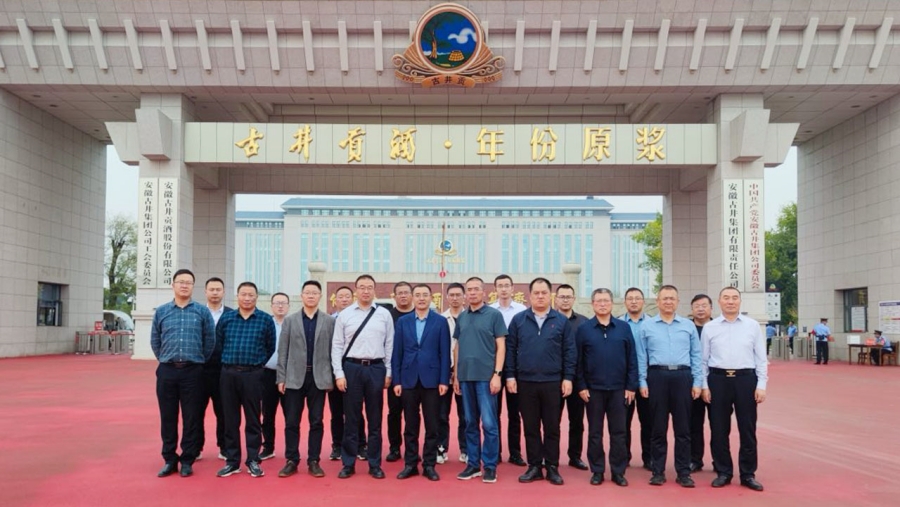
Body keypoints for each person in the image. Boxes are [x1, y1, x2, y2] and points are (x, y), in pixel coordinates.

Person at [506, 278, 575, 486]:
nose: (540, 296)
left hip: (553, 382)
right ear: (529, 296)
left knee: (552, 426)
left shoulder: (560, 321)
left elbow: (569, 351)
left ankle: (552, 466)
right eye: (536, 293)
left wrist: (568, 378)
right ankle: (534, 466)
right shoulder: (519, 320)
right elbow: (510, 349)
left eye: (544, 292)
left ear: (550, 295)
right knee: (531, 427)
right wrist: (510, 376)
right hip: (525, 382)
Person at [150, 269, 216, 478]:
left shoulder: (202, 312)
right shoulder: (162, 311)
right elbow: (155, 340)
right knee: (168, 417)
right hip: (167, 371)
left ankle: (187, 459)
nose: (184, 285)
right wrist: (166, 358)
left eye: (188, 282)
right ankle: (169, 459)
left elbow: (210, 341)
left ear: (193, 286)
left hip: (193, 371)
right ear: (173, 285)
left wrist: (198, 360)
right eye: (181, 282)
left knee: (192, 417)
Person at [701, 287, 767, 492]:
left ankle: (748, 474)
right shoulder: (710, 327)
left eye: (734, 298)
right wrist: (704, 385)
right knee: (719, 429)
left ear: (740, 301)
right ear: (719, 301)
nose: (730, 301)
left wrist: (761, 385)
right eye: (726, 298)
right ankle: (723, 472)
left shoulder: (752, 326)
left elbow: (761, 358)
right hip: (718, 380)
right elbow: (703, 360)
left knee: (747, 429)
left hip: (745, 380)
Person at [636, 285, 702, 488]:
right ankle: (658, 471)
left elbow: (696, 355)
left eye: (672, 298)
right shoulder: (646, 326)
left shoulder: (688, 326)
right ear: (657, 302)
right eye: (664, 298)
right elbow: (641, 356)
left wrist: (697, 382)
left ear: (678, 302)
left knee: (683, 429)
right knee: (658, 428)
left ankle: (683, 472)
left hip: (683, 377)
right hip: (657, 376)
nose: (668, 302)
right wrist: (642, 381)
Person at [331, 274, 394, 480]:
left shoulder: (384, 314)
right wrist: (339, 373)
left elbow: (389, 344)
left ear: (374, 290)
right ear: (356, 290)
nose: (366, 291)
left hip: (376, 368)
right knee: (352, 418)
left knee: (375, 419)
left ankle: (374, 464)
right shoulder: (345, 315)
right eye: (362, 287)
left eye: (369, 287)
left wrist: (388, 371)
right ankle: (348, 463)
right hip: (352, 368)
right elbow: (337, 345)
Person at [575, 288, 637, 487]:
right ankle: (597, 470)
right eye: (598, 301)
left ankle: (618, 471)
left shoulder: (623, 328)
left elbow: (632, 358)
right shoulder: (584, 329)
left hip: (619, 390)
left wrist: (631, 386)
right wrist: (581, 386)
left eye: (606, 301)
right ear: (592, 304)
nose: (602, 304)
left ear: (612, 303)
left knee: (619, 432)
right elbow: (578, 361)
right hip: (593, 390)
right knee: (595, 432)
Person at [215, 281, 277, 478]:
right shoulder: (227, 319)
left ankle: (253, 460)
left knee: (253, 419)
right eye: (244, 294)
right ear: (237, 296)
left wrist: (257, 365)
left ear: (256, 297)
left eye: (251, 295)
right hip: (229, 374)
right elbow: (219, 344)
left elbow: (270, 347)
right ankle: (232, 461)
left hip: (253, 375)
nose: (247, 298)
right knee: (230, 419)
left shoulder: (265, 320)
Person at [275, 281, 335, 478]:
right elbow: (282, 351)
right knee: (292, 421)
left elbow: (333, 351)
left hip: (318, 378)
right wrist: (281, 377)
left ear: (320, 296)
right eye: (307, 292)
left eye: (314, 292)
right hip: (293, 378)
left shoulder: (329, 321)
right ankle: (292, 460)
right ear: (301, 296)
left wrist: (331, 377)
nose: (310, 295)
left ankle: (314, 461)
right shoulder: (290, 321)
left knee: (316, 421)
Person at [392, 284, 451, 481]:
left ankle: (429, 465)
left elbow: (445, 353)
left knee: (432, 424)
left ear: (431, 298)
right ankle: (410, 464)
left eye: (425, 295)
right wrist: (397, 380)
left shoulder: (440, 321)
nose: (421, 298)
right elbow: (397, 352)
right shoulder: (403, 322)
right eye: (417, 295)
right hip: (408, 379)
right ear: (412, 298)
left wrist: (444, 380)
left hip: (432, 380)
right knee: (410, 425)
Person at [454, 277, 508, 484]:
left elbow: (501, 346)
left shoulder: (494, 315)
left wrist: (497, 374)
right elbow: (457, 346)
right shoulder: (462, 317)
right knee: (469, 422)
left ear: (484, 292)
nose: (472, 293)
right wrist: (456, 375)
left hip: (486, 378)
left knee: (489, 423)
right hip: (465, 377)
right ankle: (473, 464)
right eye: (469, 290)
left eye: (476, 289)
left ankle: (490, 466)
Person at [489, 274, 527, 466]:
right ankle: (494, 452)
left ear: (513, 288)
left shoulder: (522, 311)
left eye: (507, 285)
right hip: (493, 367)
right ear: (495, 289)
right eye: (500, 286)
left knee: (515, 413)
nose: (503, 289)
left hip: (515, 367)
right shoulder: (489, 311)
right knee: (493, 413)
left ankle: (515, 453)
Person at [327, 285, 367, 461]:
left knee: (356, 409)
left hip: (355, 369)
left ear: (353, 298)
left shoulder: (359, 318)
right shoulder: (329, 321)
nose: (344, 299)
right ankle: (337, 445)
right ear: (335, 300)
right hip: (334, 371)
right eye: (340, 296)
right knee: (336, 411)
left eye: (347, 296)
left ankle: (361, 445)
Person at [555, 284, 588, 471]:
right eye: (562, 296)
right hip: (554, 379)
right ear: (556, 299)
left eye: (569, 296)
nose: (565, 300)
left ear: (574, 299)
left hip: (577, 378)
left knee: (577, 421)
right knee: (553, 421)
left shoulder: (584, 322)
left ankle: (575, 456)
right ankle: (552, 457)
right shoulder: (549, 319)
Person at [620, 287, 652, 470]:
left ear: (643, 301)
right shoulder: (617, 323)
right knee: (623, 422)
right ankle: (623, 457)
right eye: (630, 298)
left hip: (649, 380)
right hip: (624, 381)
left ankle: (649, 457)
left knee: (648, 421)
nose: (633, 301)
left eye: (637, 298)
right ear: (625, 302)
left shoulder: (653, 323)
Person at [201, 277, 232, 461]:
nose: (214, 293)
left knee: (224, 411)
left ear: (223, 292)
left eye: (218, 289)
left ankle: (225, 447)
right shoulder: (197, 312)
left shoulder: (231, 314)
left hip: (224, 371)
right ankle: (195, 447)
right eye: (211, 289)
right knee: (196, 411)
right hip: (200, 370)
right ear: (205, 291)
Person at [439, 282, 467, 465]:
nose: (455, 298)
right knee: (441, 414)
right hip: (444, 373)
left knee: (466, 415)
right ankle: (441, 448)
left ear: (464, 297)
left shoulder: (470, 317)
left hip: (466, 374)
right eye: (452, 295)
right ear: (447, 297)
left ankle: (466, 450)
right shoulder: (440, 319)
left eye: (458, 295)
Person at [260, 292, 290, 462]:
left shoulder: (293, 323)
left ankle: (291, 450)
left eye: (283, 303)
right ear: (271, 305)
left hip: (289, 375)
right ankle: (268, 447)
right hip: (268, 373)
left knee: (290, 414)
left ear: (288, 306)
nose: (280, 306)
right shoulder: (266, 323)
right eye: (277, 303)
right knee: (268, 413)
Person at [386, 281, 414, 463]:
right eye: (400, 293)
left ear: (411, 295)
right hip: (395, 370)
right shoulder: (388, 316)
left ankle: (412, 449)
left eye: (406, 292)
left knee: (413, 413)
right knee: (394, 412)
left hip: (415, 372)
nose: (403, 296)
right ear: (394, 296)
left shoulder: (419, 314)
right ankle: (394, 447)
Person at [689, 294, 713, 473]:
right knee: (693, 424)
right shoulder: (686, 327)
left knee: (718, 425)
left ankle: (719, 461)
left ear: (711, 308)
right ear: (692, 309)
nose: (700, 309)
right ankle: (695, 459)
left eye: (704, 305)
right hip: (692, 383)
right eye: (697, 306)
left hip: (716, 382)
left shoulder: (718, 327)